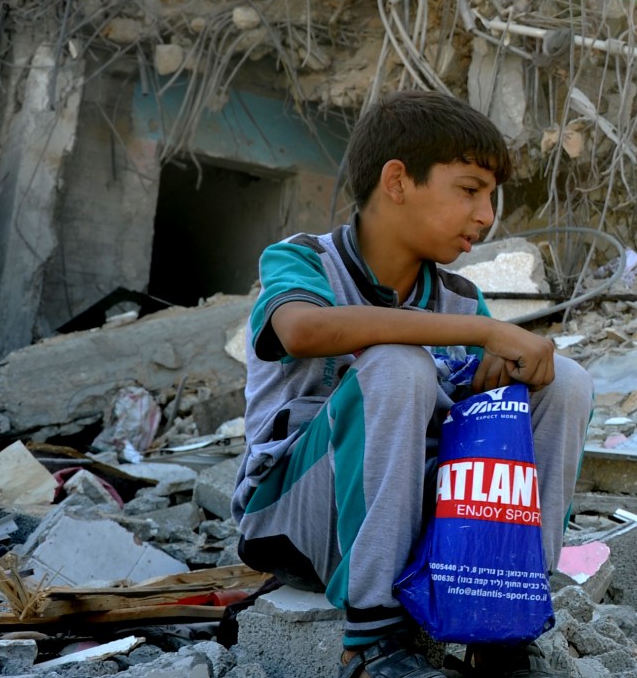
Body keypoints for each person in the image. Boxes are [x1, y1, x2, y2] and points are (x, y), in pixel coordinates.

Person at [233, 91, 590, 678]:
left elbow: (480, 424)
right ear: (397, 181)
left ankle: (506, 621)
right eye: (470, 190)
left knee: (564, 381)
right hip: (293, 518)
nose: (486, 215)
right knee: (399, 365)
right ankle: (370, 640)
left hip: (407, 521)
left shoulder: (457, 299)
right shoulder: (303, 261)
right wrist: (483, 331)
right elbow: (303, 330)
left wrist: (495, 378)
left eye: (491, 197)